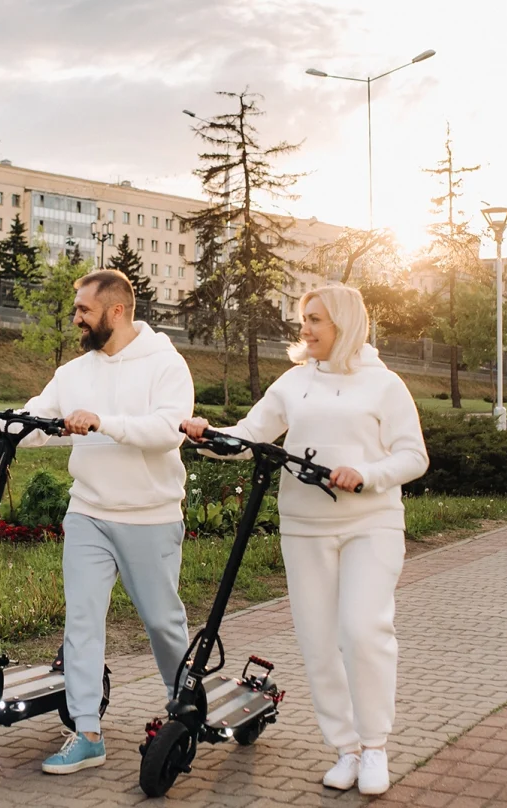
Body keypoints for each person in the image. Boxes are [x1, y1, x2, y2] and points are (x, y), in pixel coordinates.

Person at [181, 285, 427, 796]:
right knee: (318, 642)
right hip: (304, 528)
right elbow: (250, 436)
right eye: (303, 319)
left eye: (316, 319)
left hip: (370, 524)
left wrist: (368, 474)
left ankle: (375, 746)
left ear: (345, 322)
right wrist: (207, 435)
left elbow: (413, 456)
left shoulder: (386, 386)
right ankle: (346, 749)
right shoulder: (294, 383)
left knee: (362, 631)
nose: (305, 329)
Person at [0, 268, 193, 776]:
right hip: (88, 513)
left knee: (163, 624)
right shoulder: (75, 371)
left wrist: (105, 423)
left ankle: (184, 705)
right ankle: (86, 732)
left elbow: (169, 430)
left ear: (117, 311)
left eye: (83, 310)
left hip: (149, 516)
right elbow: (36, 419)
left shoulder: (165, 364)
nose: (75, 318)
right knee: (81, 622)